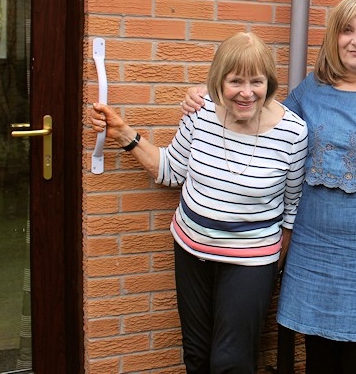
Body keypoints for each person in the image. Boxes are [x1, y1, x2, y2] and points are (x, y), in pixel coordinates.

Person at [181, 0, 356, 373]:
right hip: (313, 256)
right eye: (347, 30)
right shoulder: (310, 91)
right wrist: (204, 94)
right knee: (318, 362)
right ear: (334, 37)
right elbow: (255, 114)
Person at [90, 32, 308, 374]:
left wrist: (272, 267)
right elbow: (171, 170)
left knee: (230, 363)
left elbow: (292, 209)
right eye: (235, 81)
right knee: (197, 356)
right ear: (219, 81)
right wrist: (124, 135)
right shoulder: (201, 113)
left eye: (257, 81)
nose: (246, 92)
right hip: (191, 251)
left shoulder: (293, 133)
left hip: (251, 263)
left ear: (270, 83)